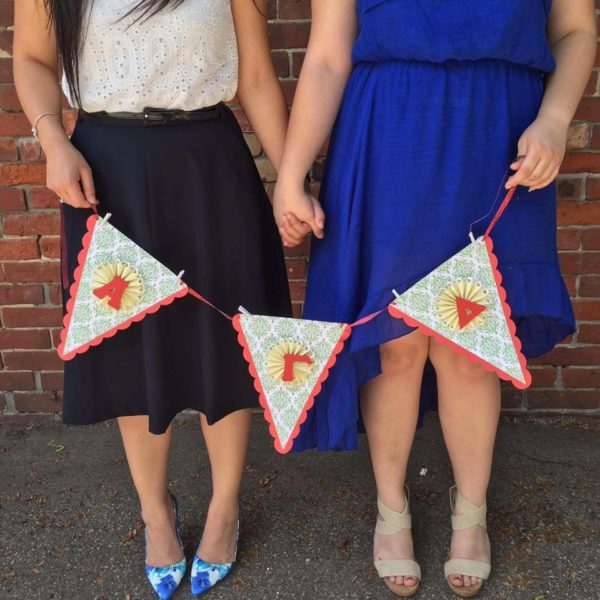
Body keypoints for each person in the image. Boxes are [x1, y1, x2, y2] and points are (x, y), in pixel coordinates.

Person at [273, 0, 595, 597]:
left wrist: (554, 119)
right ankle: (390, 506)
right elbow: (326, 56)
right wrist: (290, 175)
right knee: (395, 339)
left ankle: (471, 512)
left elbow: (576, 29)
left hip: (499, 137)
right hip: (389, 135)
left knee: (472, 344)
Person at [13, 1, 291, 598]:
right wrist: (53, 140)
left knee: (226, 343)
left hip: (210, 165)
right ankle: (155, 513)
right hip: (104, 168)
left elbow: (255, 75)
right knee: (130, 346)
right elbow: (32, 58)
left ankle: (224, 508)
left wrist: (293, 179)